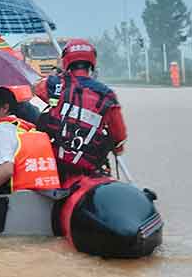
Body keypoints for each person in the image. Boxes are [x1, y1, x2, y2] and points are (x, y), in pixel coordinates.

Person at [34, 39, 127, 180]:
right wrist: (118, 149)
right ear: (92, 62)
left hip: (53, 163)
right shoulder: (107, 95)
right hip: (88, 167)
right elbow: (119, 136)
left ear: (66, 60)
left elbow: (36, 94)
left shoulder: (52, 84)